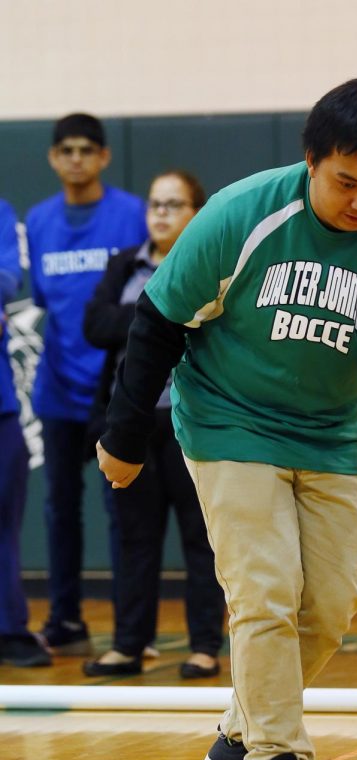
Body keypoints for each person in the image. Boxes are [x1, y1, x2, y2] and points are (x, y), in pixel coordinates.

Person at [95, 77, 357, 760]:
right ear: (311, 159)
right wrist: (125, 436)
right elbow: (159, 322)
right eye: (347, 182)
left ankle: (239, 734)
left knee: (330, 601)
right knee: (263, 589)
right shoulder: (243, 214)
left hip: (328, 435)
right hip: (229, 422)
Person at [81, 170, 225, 678]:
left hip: (194, 421)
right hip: (135, 422)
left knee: (201, 538)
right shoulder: (125, 264)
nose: (160, 213)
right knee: (133, 539)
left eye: (173, 204)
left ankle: (205, 645)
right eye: (154, 204)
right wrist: (159, 315)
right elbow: (95, 325)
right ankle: (129, 645)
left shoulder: (212, 262)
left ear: (196, 212)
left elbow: (210, 323)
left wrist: (148, 317)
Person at [25, 113, 148, 655]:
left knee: (122, 514)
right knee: (59, 510)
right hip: (56, 392)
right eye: (65, 150)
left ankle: (130, 631)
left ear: (103, 156)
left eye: (86, 149)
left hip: (110, 394)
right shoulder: (39, 220)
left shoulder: (131, 216)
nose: (75, 158)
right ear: (53, 158)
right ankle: (65, 620)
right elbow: (49, 305)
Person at [0, 199, 51, 667]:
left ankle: (10, 628)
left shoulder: (0, 212)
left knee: (5, 521)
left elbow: (8, 280)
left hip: (0, 406)